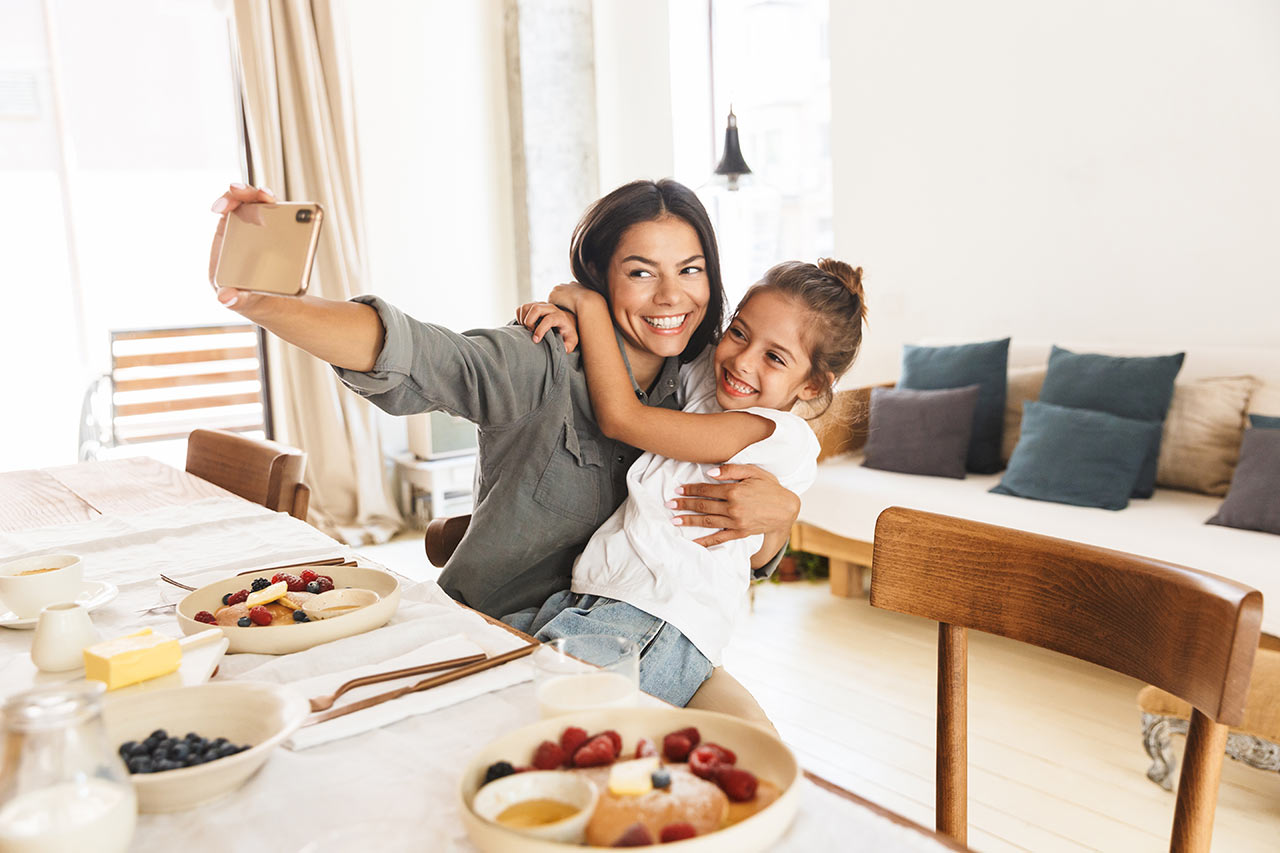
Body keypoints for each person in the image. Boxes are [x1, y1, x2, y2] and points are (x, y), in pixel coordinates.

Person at [205, 179, 801, 626]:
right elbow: (421, 355)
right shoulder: (542, 355)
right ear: (598, 274)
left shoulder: (709, 386)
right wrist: (266, 302)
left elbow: (735, 558)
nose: (672, 295)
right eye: (642, 272)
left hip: (636, 636)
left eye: (690, 270)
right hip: (504, 633)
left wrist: (776, 521)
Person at [511, 260, 868, 705]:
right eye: (739, 332)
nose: (741, 360)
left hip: (657, 619)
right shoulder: (712, 383)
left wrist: (588, 306)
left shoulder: (777, 434)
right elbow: (654, 334)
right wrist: (571, 322)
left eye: (774, 357)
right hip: (600, 597)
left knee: (539, 715)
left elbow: (623, 418)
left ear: (814, 385)